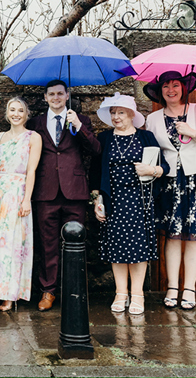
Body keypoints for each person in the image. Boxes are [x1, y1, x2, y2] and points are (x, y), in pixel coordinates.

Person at [26, 79, 101, 311]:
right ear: (45, 98)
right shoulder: (35, 123)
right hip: (45, 191)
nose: (56, 98)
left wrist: (78, 126)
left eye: (60, 93)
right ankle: (48, 291)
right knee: (47, 244)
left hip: (74, 191)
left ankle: (74, 289)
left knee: (76, 243)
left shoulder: (81, 120)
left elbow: (96, 150)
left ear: (67, 96)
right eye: (52, 94)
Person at [90, 93, 167, 315]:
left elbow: (165, 167)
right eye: (113, 113)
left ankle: (138, 294)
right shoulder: (105, 138)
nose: (116, 117)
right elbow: (95, 171)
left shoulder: (146, 137)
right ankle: (120, 292)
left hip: (139, 201)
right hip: (113, 199)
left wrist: (151, 170)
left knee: (138, 249)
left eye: (121, 112)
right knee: (116, 248)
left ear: (132, 114)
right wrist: (97, 200)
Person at [0, 97, 41, 315]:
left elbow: (31, 171)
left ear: (26, 114)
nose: (15, 114)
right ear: (7, 113)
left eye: (20, 110)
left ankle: (5, 295)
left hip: (16, 194)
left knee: (11, 246)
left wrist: (26, 200)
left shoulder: (33, 137)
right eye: (12, 110)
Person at [144, 71, 196, 310]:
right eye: (166, 86)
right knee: (173, 236)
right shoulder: (153, 119)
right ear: (160, 91)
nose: (171, 90)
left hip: (194, 179)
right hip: (169, 182)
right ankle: (173, 287)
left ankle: (190, 289)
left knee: (193, 238)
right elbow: (150, 151)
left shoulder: (195, 112)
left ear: (184, 88)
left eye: (176, 85)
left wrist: (192, 131)